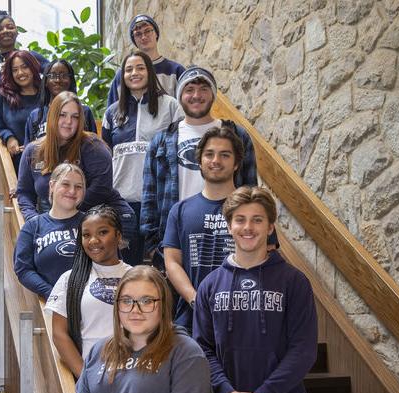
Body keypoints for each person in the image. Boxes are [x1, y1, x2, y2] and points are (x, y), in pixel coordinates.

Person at [193, 186, 318, 393]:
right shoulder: (209, 286)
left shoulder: (294, 282)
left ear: (271, 226)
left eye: (257, 220)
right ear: (229, 225)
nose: (248, 227)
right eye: (240, 219)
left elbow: (304, 350)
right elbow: (203, 350)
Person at [73, 266, 213, 393]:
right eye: (127, 301)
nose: (135, 310)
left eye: (147, 301)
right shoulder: (100, 351)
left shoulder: (187, 353)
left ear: (163, 305)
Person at [141, 65, 259, 268]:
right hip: (176, 241)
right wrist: (154, 247)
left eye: (204, 89)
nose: (196, 95)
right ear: (179, 95)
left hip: (228, 238)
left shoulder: (237, 135)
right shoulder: (161, 141)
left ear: (213, 94)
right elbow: (149, 198)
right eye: (189, 89)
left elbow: (251, 190)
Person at [16, 91, 138, 263]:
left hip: (112, 219)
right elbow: (24, 193)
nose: (68, 122)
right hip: (67, 222)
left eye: (74, 117)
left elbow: (101, 190)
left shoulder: (94, 147)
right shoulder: (33, 151)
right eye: (63, 115)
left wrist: (64, 215)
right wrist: (34, 220)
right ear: (51, 117)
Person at [102, 51, 183, 265]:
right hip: (122, 200)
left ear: (150, 71)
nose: (134, 73)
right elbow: (106, 157)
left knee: (161, 263)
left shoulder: (171, 105)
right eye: (128, 69)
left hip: (158, 198)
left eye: (140, 68)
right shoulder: (112, 113)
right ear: (122, 76)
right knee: (126, 264)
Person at [162, 127, 241, 332]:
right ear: (199, 162)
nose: (216, 160)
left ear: (237, 163)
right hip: (191, 318)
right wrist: (196, 300)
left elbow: (266, 257)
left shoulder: (252, 208)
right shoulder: (180, 210)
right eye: (209, 154)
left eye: (225, 155)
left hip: (242, 314)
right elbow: (171, 262)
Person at [47, 205, 131, 378]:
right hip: (91, 373)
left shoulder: (136, 276)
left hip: (132, 376)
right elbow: (59, 334)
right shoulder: (69, 279)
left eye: (102, 232)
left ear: (118, 236)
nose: (93, 240)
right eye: (86, 235)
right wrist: (85, 378)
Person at [13, 163, 86, 300]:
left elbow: (110, 262)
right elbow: (23, 269)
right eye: (65, 184)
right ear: (52, 186)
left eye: (78, 187)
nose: (72, 191)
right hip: (54, 305)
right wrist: (52, 294)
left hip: (92, 304)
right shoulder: (32, 227)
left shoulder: (92, 223)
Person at [0, 10, 48, 136]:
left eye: (10, 27)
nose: (6, 31)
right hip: (3, 126)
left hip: (33, 120)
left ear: (16, 32)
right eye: (0, 29)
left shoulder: (30, 57)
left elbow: (55, 72)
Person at [107, 14, 185, 107]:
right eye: (138, 34)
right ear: (134, 39)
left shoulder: (176, 71)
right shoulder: (123, 75)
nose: (143, 37)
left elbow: (185, 109)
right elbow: (112, 113)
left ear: (156, 33)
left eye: (148, 31)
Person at [0, 50, 43, 173]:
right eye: (15, 70)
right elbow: (0, 127)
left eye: (24, 67)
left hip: (47, 160)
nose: (20, 73)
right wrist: (9, 138)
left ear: (33, 67)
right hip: (19, 162)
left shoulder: (47, 93)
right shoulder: (3, 96)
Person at [25, 59, 97, 143]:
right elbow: (29, 151)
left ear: (71, 80)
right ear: (45, 82)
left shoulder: (84, 112)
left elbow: (94, 147)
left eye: (64, 75)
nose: (58, 80)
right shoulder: (35, 116)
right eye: (52, 76)